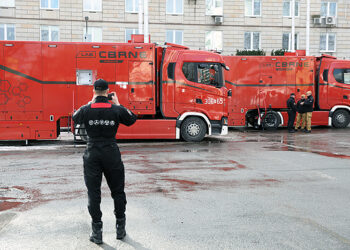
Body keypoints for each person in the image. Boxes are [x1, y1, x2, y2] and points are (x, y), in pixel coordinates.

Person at [73, 79, 137, 244]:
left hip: (92, 153)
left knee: (93, 193)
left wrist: (90, 102)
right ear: (108, 91)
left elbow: (75, 117)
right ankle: (120, 229)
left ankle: (97, 232)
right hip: (111, 152)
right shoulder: (115, 109)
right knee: (118, 191)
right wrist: (119, 103)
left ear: (94, 91)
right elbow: (131, 119)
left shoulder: (87, 109)